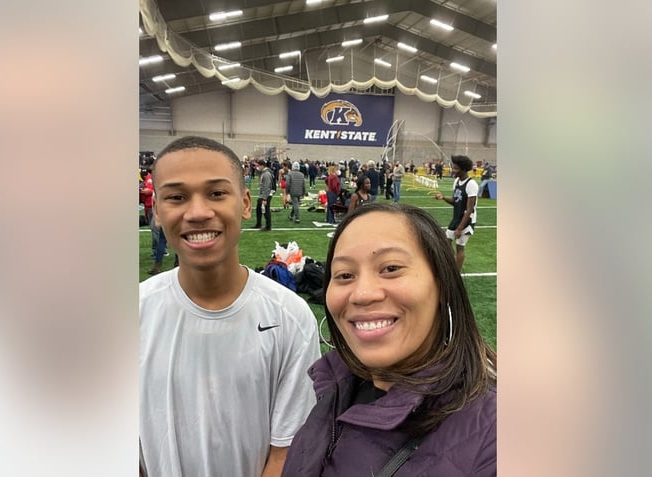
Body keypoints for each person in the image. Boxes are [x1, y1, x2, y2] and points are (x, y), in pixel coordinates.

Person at [139, 136, 321, 477]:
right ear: (158, 213)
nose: (197, 212)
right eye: (176, 197)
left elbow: (286, 453)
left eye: (216, 193)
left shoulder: (290, 317)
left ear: (246, 203)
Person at [281, 202, 497, 477]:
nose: (362, 294)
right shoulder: (333, 385)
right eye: (345, 275)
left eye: (391, 268)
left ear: (442, 283)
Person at [434, 155, 479, 271]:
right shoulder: (457, 182)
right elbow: (455, 201)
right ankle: (449, 265)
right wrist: (443, 197)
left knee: (460, 247)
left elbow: (469, 209)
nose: (453, 170)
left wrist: (460, 228)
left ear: (464, 169)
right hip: (456, 218)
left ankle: (456, 273)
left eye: (455, 169)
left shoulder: (471, 184)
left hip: (466, 220)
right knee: (446, 242)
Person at [253, 159, 273, 231]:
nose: (257, 167)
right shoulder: (263, 173)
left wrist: (264, 198)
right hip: (262, 195)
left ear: (262, 165)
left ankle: (268, 226)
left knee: (265, 211)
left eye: (258, 166)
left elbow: (267, 187)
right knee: (258, 209)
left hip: (266, 195)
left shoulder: (266, 174)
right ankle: (259, 223)